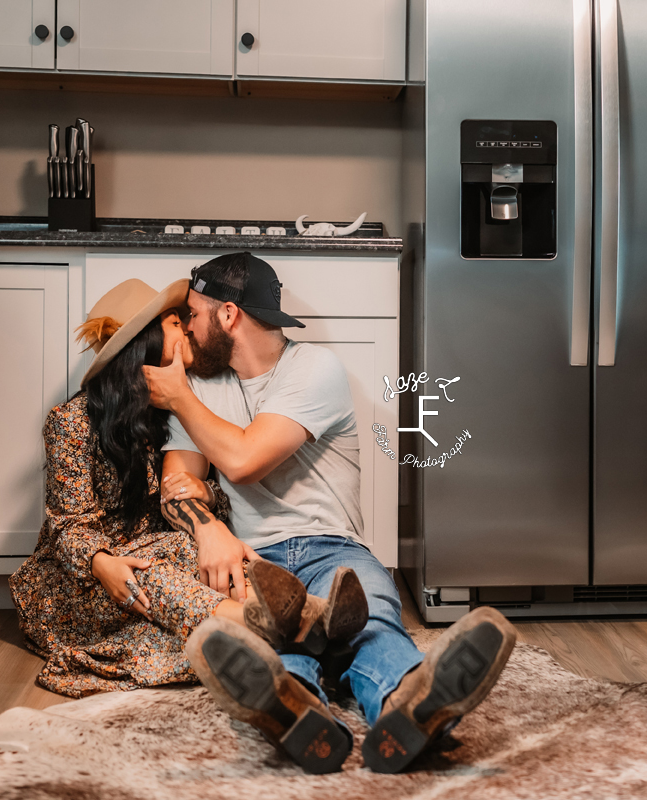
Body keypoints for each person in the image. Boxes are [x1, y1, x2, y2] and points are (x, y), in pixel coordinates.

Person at [143, 252, 517, 774]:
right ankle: (298, 709)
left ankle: (407, 703)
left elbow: (245, 460)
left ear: (228, 315)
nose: (187, 328)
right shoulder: (203, 390)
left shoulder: (313, 369)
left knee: (370, 617)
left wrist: (180, 398)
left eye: (195, 314)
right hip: (257, 561)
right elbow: (176, 483)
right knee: (285, 636)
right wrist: (209, 533)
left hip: (332, 548)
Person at [9, 277, 360, 698]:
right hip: (83, 585)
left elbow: (196, 490)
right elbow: (68, 525)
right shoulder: (72, 422)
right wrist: (103, 563)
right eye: (177, 322)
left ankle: (282, 645)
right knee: (153, 568)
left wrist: (211, 503)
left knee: (204, 605)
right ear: (147, 342)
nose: (190, 329)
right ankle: (289, 623)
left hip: (158, 581)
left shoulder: (170, 412)